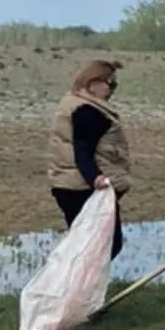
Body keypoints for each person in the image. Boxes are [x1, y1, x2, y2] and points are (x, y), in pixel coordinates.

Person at [46, 59, 132, 259]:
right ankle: (73, 288)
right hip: (84, 189)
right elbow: (83, 150)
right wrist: (96, 178)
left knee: (84, 245)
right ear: (93, 83)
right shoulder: (89, 112)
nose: (113, 90)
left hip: (66, 185)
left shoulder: (72, 104)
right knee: (105, 246)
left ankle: (75, 287)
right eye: (111, 84)